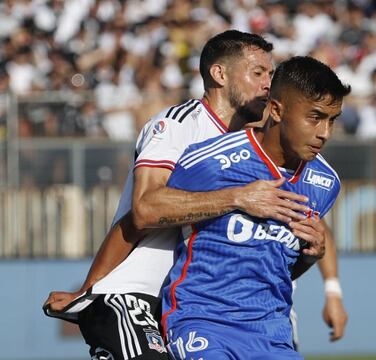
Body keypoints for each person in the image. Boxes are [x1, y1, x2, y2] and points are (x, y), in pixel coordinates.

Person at [42, 31, 345, 360]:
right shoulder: (179, 127)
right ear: (220, 74)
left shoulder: (261, 147)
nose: (267, 83)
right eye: (258, 72)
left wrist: (324, 277)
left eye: (271, 74)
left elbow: (291, 233)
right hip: (136, 293)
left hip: (207, 304)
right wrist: (89, 291)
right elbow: (142, 212)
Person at [162, 55, 350, 360]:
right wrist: (93, 285)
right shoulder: (212, 161)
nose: (325, 133)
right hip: (204, 324)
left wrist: (314, 254)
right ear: (276, 109)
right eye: (315, 117)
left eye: (332, 120)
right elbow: (146, 211)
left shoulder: (325, 183)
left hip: (271, 334)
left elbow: (283, 265)